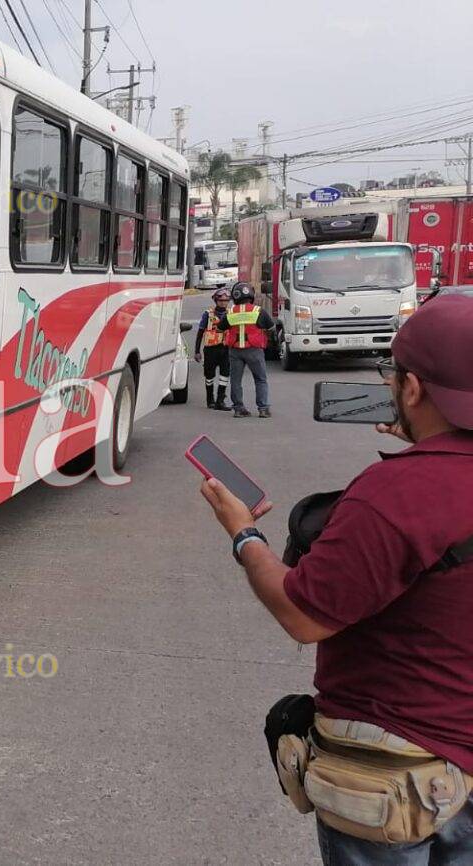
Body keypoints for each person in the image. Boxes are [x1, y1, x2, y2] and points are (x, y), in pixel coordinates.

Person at [200, 295, 473, 865]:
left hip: (398, 770)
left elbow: (303, 614)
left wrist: (245, 536)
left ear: (414, 389)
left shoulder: (396, 494)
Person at [219, 282, 274, 419]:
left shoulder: (230, 312)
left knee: (236, 381)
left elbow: (220, 328)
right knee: (260, 379)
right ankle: (263, 409)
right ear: (251, 295)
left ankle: (238, 408)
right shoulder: (258, 311)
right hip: (254, 349)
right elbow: (271, 327)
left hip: (235, 351)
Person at [194, 288, 232, 411]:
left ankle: (220, 401)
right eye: (221, 300)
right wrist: (197, 351)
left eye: (226, 300)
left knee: (225, 375)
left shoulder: (230, 313)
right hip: (211, 349)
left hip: (225, 348)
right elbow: (200, 332)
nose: (223, 303)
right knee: (209, 376)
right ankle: (210, 400)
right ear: (216, 300)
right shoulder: (208, 314)